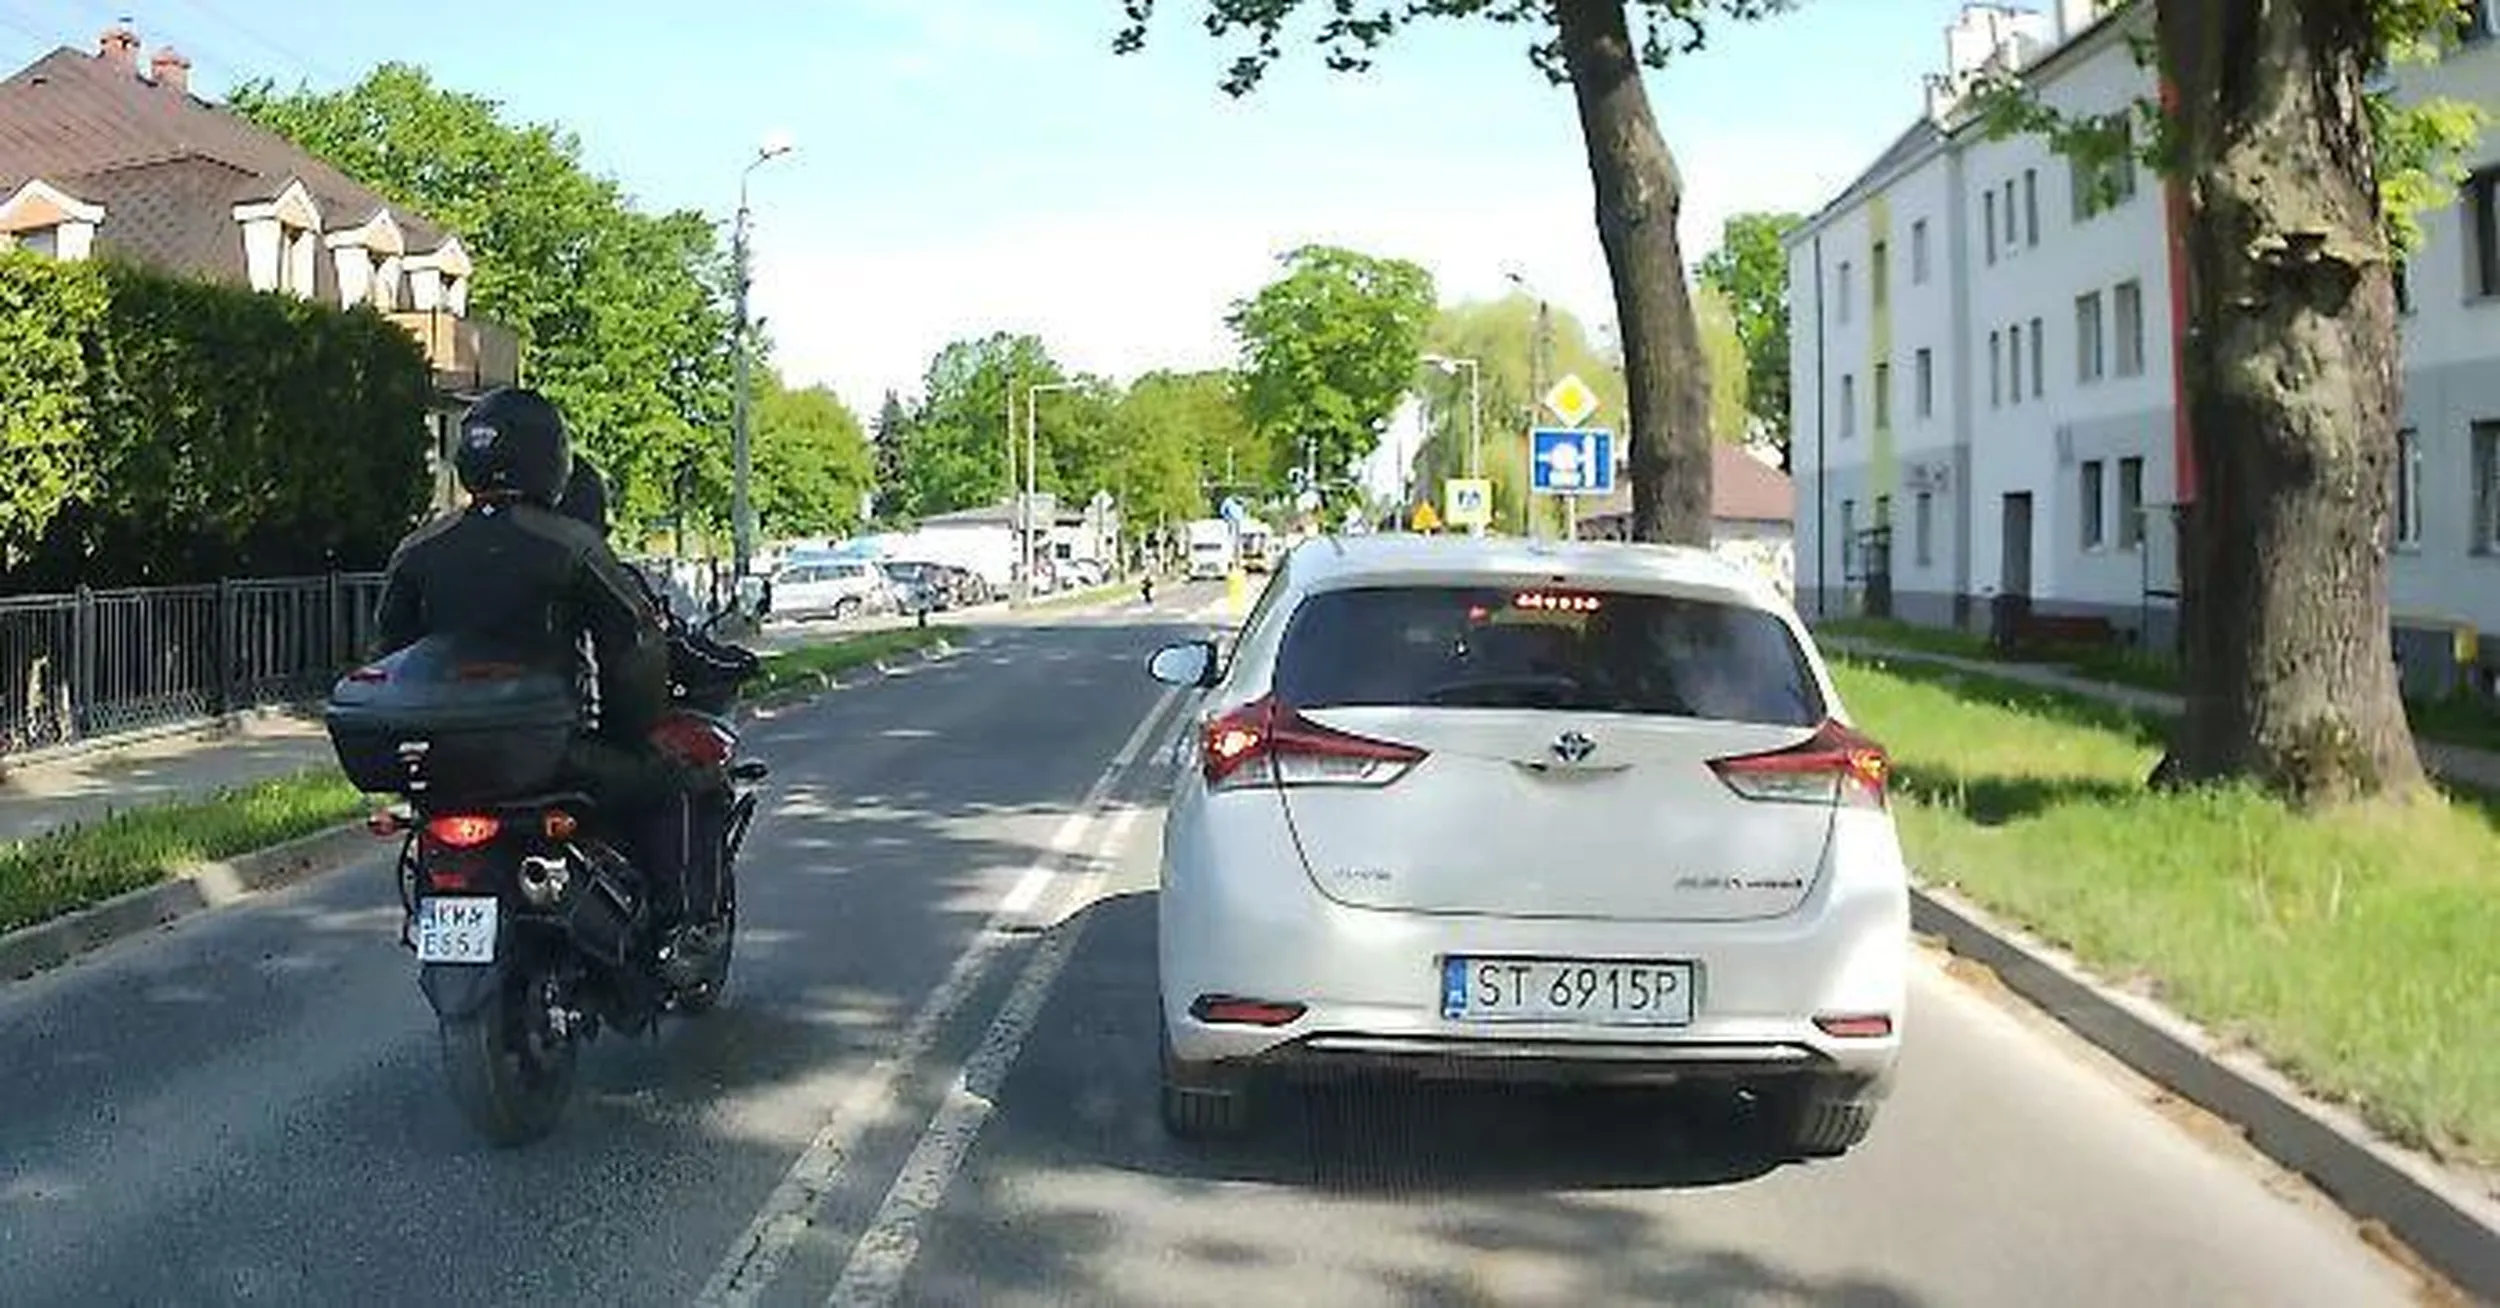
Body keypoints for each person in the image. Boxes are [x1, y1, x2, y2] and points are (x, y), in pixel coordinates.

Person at [374, 388, 705, 936]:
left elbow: (387, 652)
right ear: (551, 457)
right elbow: (634, 645)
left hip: (447, 763)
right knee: (667, 781)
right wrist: (634, 729)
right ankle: (671, 921)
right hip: (545, 755)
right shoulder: (571, 544)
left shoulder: (419, 548)